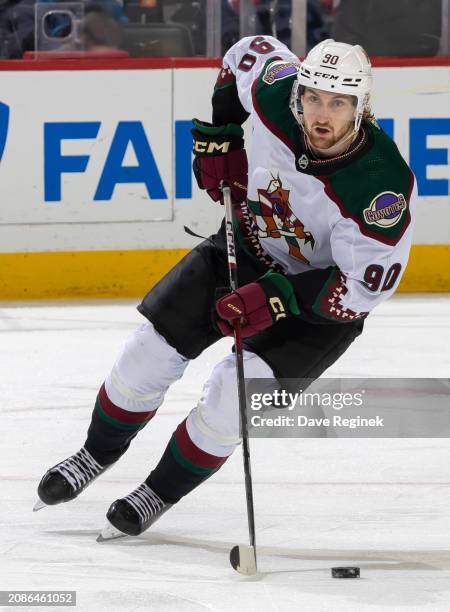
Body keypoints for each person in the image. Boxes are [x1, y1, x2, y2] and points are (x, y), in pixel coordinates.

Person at [35, 35, 416, 539]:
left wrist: (279, 296)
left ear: (361, 108)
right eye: (314, 99)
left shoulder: (380, 186)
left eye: (339, 103)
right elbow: (247, 51)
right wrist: (221, 133)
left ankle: (157, 493)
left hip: (315, 307)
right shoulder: (276, 92)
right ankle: (94, 454)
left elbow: (359, 292)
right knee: (145, 352)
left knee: (229, 399)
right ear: (298, 93)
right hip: (244, 247)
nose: (322, 115)